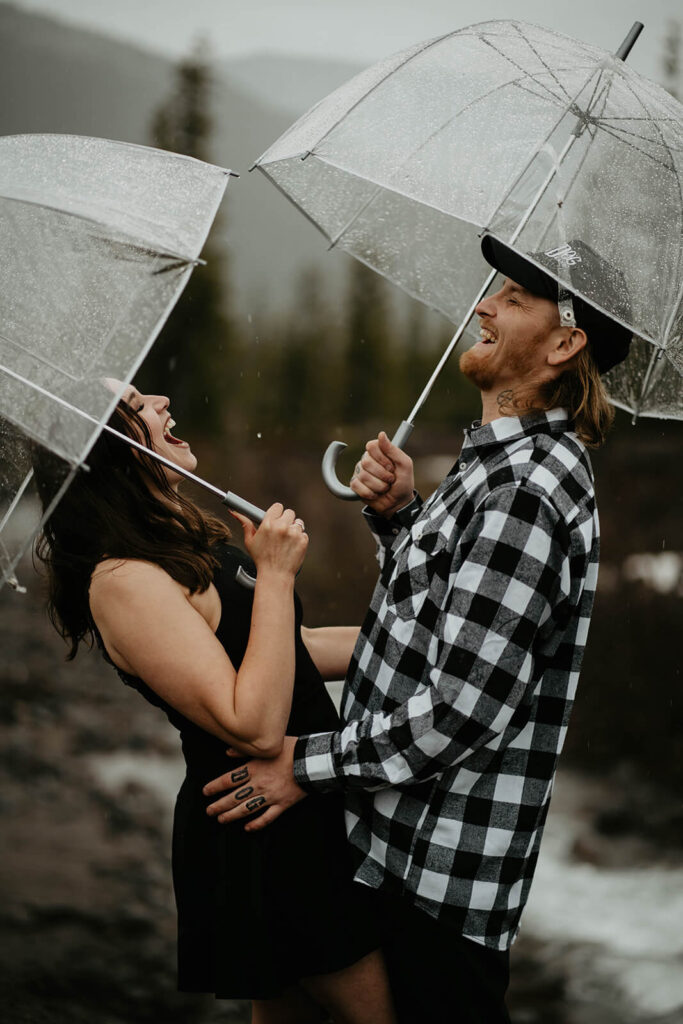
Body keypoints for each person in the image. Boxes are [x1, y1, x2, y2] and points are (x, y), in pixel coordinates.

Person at [202, 236, 634, 1023]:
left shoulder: (527, 489)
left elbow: (462, 709)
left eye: (511, 297)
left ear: (564, 342)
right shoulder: (496, 467)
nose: (483, 305)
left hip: (435, 882)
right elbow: (437, 620)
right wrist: (398, 514)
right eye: (491, 291)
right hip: (394, 850)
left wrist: (303, 764)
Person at [33, 382, 396, 1024]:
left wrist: (423, 646)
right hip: (261, 825)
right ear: (106, 448)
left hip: (305, 804)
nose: (161, 400)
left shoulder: (187, 544)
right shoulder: (122, 582)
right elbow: (252, 725)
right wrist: (278, 575)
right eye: (137, 406)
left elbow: (294, 648)